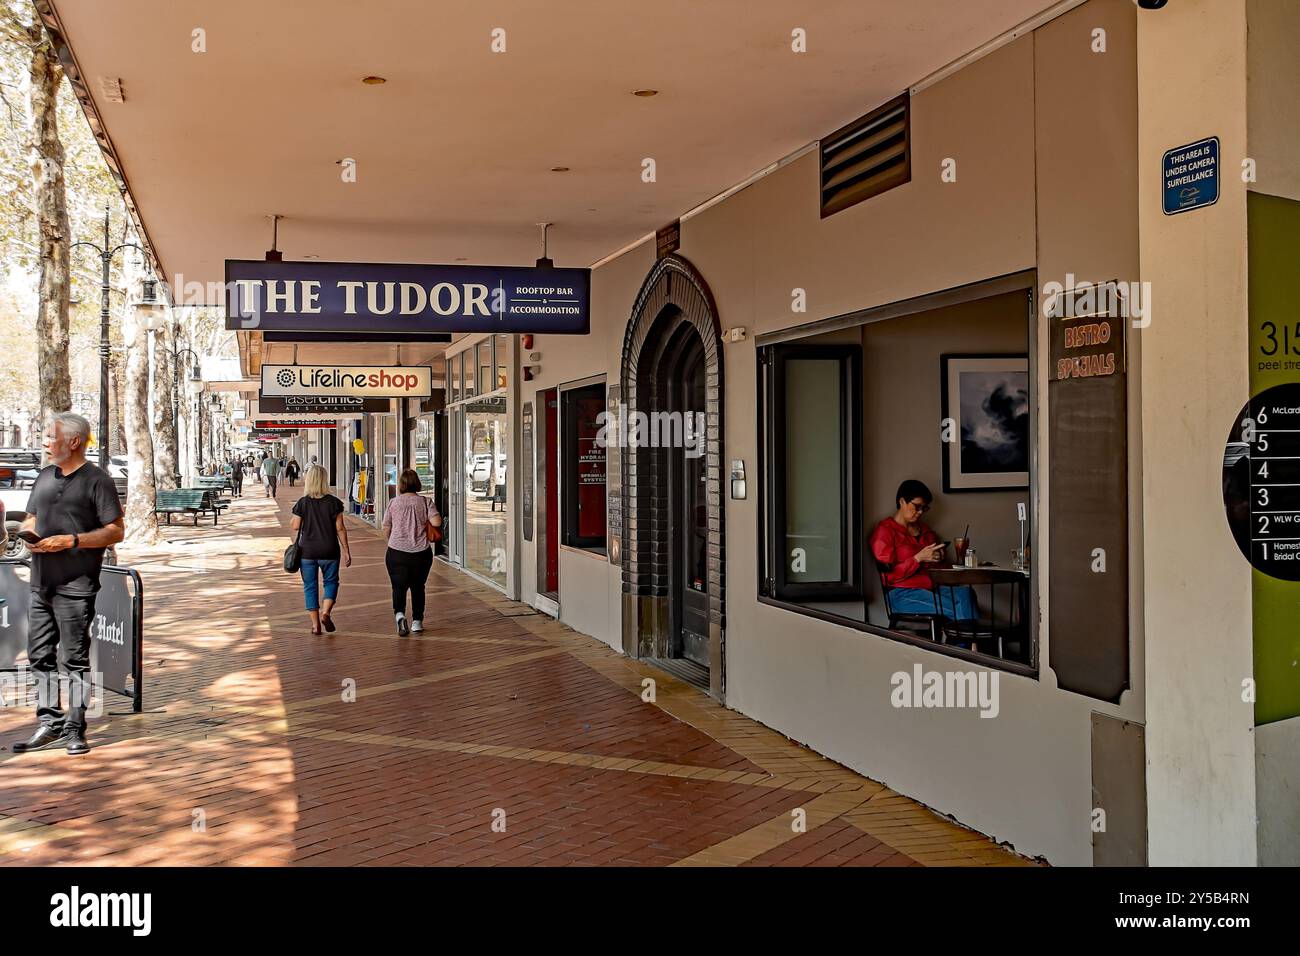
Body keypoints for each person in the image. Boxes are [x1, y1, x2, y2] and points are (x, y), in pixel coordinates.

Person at [11, 413, 125, 755]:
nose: (45, 442)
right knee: (39, 655)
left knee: (73, 659)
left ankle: (76, 727)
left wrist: (70, 541)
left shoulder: (97, 480)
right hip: (40, 583)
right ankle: (49, 721)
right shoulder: (44, 476)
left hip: (76, 585)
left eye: (50, 436)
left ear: (74, 442)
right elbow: (30, 518)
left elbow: (116, 531)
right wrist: (27, 536)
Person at [870, 478, 975, 622]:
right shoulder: (885, 532)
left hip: (932, 588)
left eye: (924, 508)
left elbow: (937, 570)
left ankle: (967, 643)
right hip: (903, 593)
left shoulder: (926, 532)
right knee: (958, 610)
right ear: (902, 502)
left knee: (966, 594)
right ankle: (971, 644)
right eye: (917, 506)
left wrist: (939, 559)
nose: (920, 512)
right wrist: (917, 559)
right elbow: (888, 577)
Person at [291, 465, 351, 635]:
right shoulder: (334, 503)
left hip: (307, 552)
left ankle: (316, 625)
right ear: (324, 480)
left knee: (310, 586)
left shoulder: (302, 503)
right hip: (329, 550)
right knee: (331, 582)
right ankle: (326, 613)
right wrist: (346, 550)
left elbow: (295, 526)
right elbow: (340, 529)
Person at [382, 469, 442, 636]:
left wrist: (391, 541)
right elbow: (436, 522)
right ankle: (417, 621)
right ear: (417, 483)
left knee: (398, 587)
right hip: (420, 553)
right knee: (418, 587)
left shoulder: (394, 503)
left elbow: (386, 527)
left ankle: (400, 615)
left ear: (401, 485)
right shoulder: (425, 501)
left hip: (396, 552)